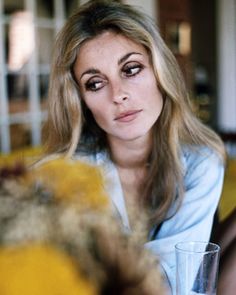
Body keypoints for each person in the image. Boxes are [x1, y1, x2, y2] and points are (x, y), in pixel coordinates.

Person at [43, 0, 228, 294]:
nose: (119, 95)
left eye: (130, 69)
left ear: (159, 71)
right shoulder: (59, 176)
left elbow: (170, 279)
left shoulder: (200, 161)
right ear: (79, 101)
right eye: (95, 83)